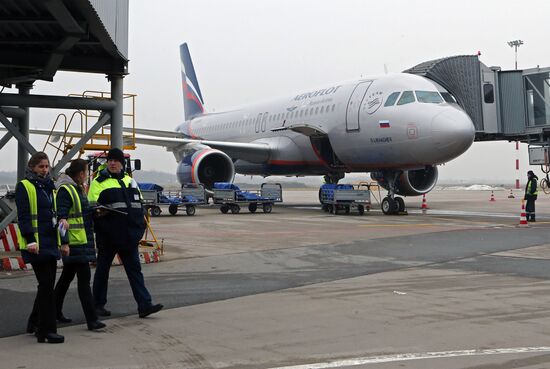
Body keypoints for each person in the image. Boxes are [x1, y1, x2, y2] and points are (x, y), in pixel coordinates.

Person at [88, 148, 163, 318]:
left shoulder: (131, 182)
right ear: (107, 163)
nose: (113, 163)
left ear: (122, 163)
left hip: (128, 236)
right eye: (110, 160)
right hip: (109, 237)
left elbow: (139, 208)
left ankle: (145, 305)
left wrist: (138, 230)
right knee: (102, 271)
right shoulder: (98, 182)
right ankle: (98, 305)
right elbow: (93, 210)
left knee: (135, 271)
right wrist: (106, 229)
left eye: (116, 160)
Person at [15, 152, 64, 343]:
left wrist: (63, 235)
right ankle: (46, 330)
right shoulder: (25, 186)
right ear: (32, 167)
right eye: (41, 166)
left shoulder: (49, 187)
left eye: (47, 166)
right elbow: (25, 216)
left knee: (47, 285)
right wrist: (30, 240)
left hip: (50, 241)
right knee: (46, 286)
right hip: (36, 243)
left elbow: (54, 214)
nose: (45, 169)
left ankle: (34, 322)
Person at [54, 159, 106, 331]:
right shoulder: (66, 189)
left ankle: (53, 313)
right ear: (81, 173)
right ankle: (91, 319)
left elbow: (77, 213)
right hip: (74, 243)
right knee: (84, 281)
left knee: (65, 280)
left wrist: (93, 211)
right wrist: (65, 243)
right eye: (86, 171)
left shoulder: (78, 188)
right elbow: (61, 219)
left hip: (80, 241)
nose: (87, 175)